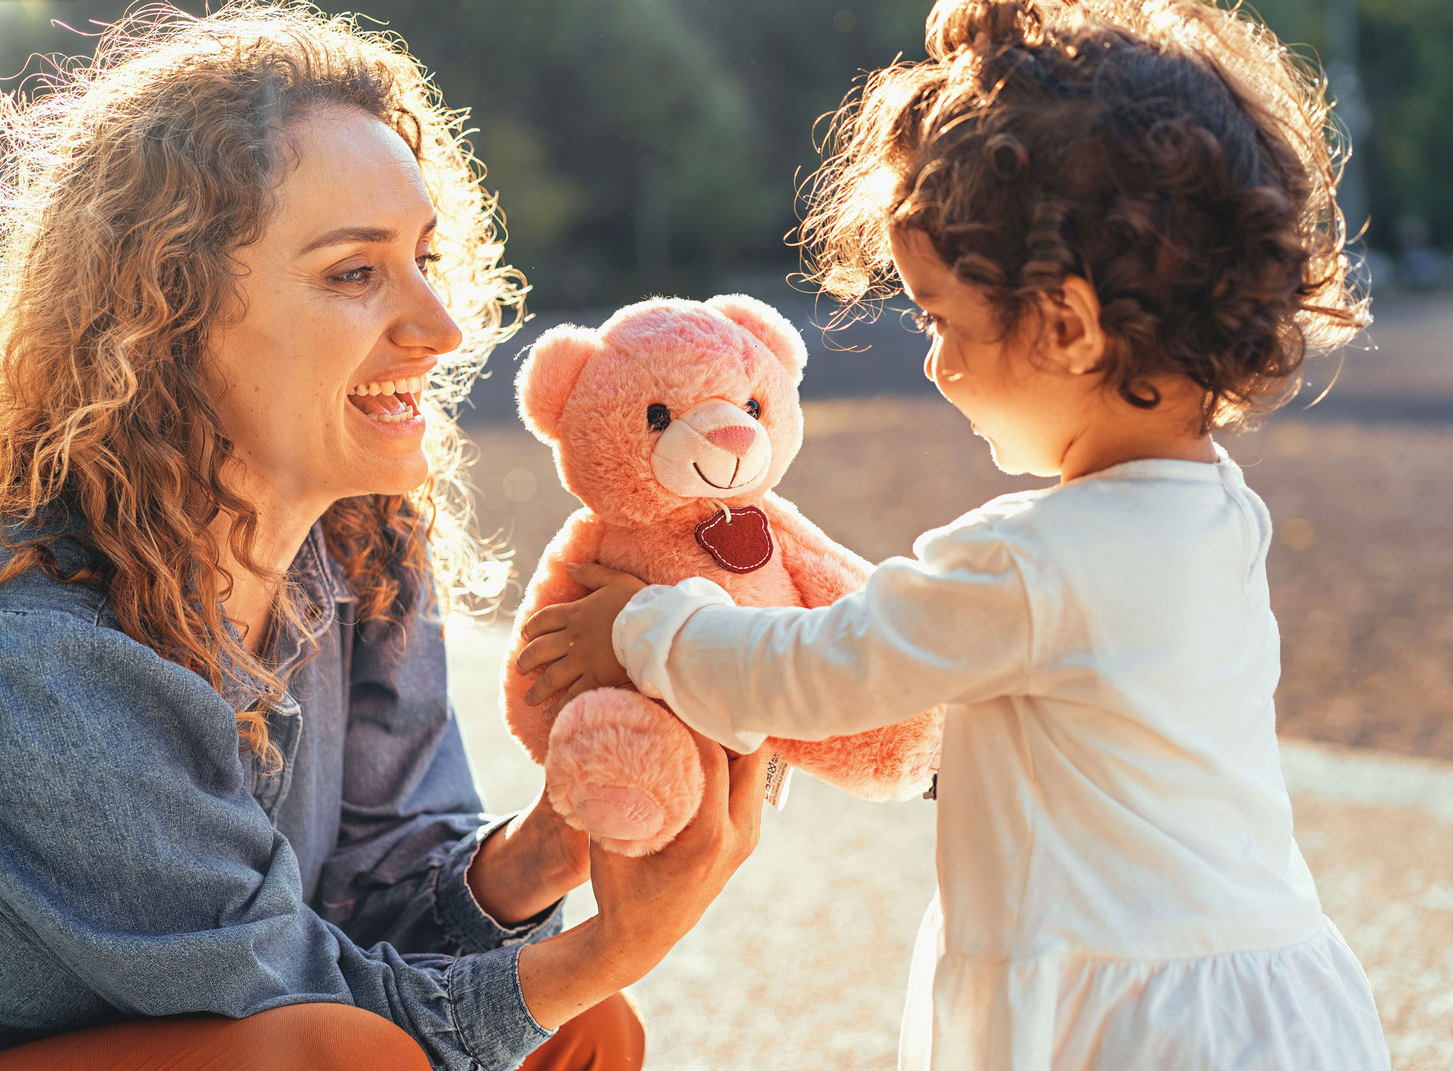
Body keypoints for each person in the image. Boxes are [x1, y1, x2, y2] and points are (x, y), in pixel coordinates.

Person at [515, 1, 1393, 1067]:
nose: (934, 363)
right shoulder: (1217, 514)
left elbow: (826, 670)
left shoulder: (1027, 561)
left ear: (1066, 324)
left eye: (942, 321)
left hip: (1108, 1018)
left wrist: (649, 628)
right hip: (1263, 994)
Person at [0, 4, 764, 1070]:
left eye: (427, 256)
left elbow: (379, 897)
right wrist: (615, 945)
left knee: (581, 1035)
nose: (442, 325)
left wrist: (545, 851)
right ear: (166, 315)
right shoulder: (37, 655)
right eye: (354, 272)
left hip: (285, 1022)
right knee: (353, 1049)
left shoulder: (359, 551)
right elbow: (293, 997)